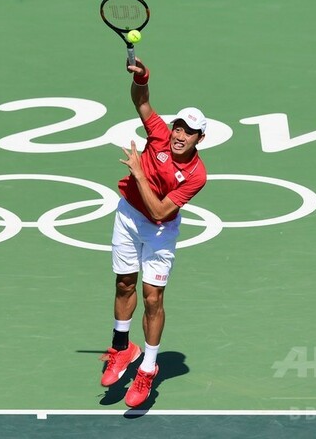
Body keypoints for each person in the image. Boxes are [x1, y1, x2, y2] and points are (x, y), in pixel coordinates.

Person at [100, 57, 208, 408]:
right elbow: (142, 102)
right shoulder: (159, 134)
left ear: (200, 138)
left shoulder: (196, 176)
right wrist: (142, 77)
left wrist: (139, 173)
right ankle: (121, 348)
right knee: (123, 284)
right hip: (128, 216)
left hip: (160, 232)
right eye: (178, 128)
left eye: (189, 132)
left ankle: (147, 368)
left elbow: (161, 211)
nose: (180, 135)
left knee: (152, 298)